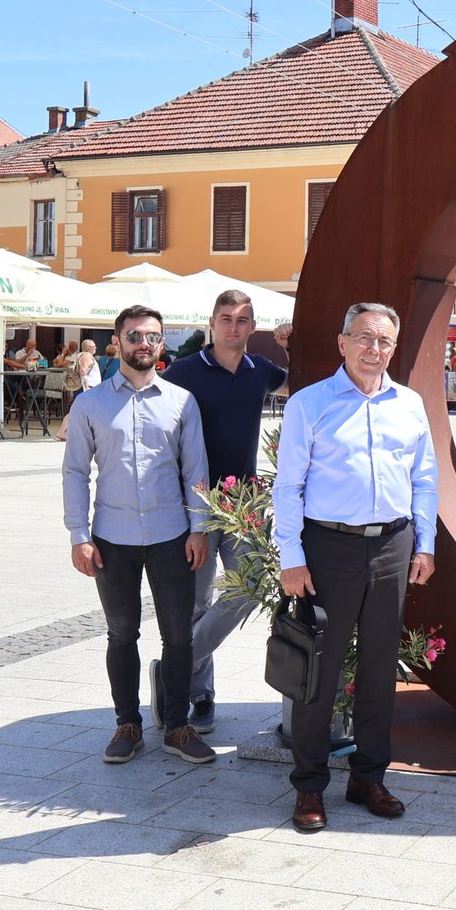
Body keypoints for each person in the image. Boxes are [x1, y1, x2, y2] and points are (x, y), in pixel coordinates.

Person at [274, 302, 438, 832]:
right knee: (318, 671)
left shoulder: (409, 405)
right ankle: (309, 786)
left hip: (393, 546)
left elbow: (424, 480)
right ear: (341, 342)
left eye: (384, 340)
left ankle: (368, 777)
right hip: (328, 549)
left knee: (377, 667)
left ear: (394, 348)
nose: (373, 349)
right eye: (363, 337)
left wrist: (425, 544)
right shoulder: (309, 404)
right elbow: (289, 487)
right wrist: (292, 558)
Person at [62, 304, 214, 768]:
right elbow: (74, 472)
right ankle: (127, 724)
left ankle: (177, 725)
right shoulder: (90, 404)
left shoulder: (182, 401)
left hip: (172, 535)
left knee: (179, 636)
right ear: (117, 342)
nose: (142, 344)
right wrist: (78, 534)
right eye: (133, 336)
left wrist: (200, 528)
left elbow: (196, 470)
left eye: (151, 336)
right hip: (112, 537)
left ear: (161, 344)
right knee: (122, 633)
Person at [164, 290, 288, 733]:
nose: (233, 326)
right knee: (198, 602)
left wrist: (294, 344)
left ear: (253, 328)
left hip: (245, 502)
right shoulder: (184, 371)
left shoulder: (263, 372)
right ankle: (200, 696)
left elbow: (309, 388)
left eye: (242, 320)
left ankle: (175, 668)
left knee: (251, 586)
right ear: (211, 323)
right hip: (195, 501)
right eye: (226, 318)